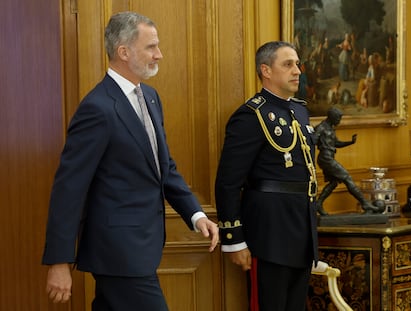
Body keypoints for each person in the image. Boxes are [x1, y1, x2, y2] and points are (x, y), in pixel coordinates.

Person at [42, 11, 219, 311]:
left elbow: (164, 168)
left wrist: (196, 214)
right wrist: (59, 260)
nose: (159, 55)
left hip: (141, 248)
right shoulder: (97, 108)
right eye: (151, 47)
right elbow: (69, 188)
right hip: (118, 252)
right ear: (123, 51)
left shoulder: (150, 97)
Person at [215, 41, 319, 311]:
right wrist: (233, 240)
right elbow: (228, 182)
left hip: (301, 229)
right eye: (288, 64)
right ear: (266, 70)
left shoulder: (300, 110)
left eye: (297, 64)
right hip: (270, 234)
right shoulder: (251, 116)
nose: (297, 70)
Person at [315, 107, 385, 215]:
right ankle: (365, 203)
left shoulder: (330, 128)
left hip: (329, 157)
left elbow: (336, 143)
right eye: (338, 118)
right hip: (326, 158)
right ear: (332, 117)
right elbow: (313, 140)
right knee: (347, 178)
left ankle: (318, 204)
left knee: (333, 183)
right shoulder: (321, 127)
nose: (339, 121)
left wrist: (350, 142)